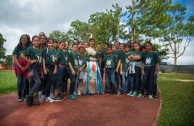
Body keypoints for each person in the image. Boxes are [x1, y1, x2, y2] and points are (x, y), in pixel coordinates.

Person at [20, 35, 42, 107]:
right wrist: (30, 61)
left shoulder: (39, 50)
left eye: (38, 40)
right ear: (32, 42)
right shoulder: (30, 49)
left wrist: (41, 71)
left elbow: (40, 61)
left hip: (38, 69)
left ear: (39, 42)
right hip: (32, 68)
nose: (36, 42)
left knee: (31, 85)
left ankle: (30, 101)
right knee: (38, 82)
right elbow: (22, 56)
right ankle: (29, 96)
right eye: (34, 40)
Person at [13, 34, 30, 102]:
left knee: (25, 81)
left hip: (27, 65)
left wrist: (26, 67)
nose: (24, 39)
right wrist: (20, 67)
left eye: (25, 38)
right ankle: (19, 95)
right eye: (22, 38)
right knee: (20, 80)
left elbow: (30, 58)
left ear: (27, 39)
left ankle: (25, 95)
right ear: (20, 39)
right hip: (19, 66)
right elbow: (15, 58)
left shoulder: (29, 47)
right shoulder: (17, 48)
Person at [39, 38, 57, 103]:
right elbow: (43, 59)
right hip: (47, 66)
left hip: (52, 66)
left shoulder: (55, 51)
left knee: (48, 81)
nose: (51, 44)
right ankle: (43, 93)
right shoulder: (45, 49)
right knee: (52, 79)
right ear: (47, 43)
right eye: (49, 43)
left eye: (52, 43)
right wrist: (44, 68)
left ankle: (47, 96)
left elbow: (55, 61)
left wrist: (55, 68)